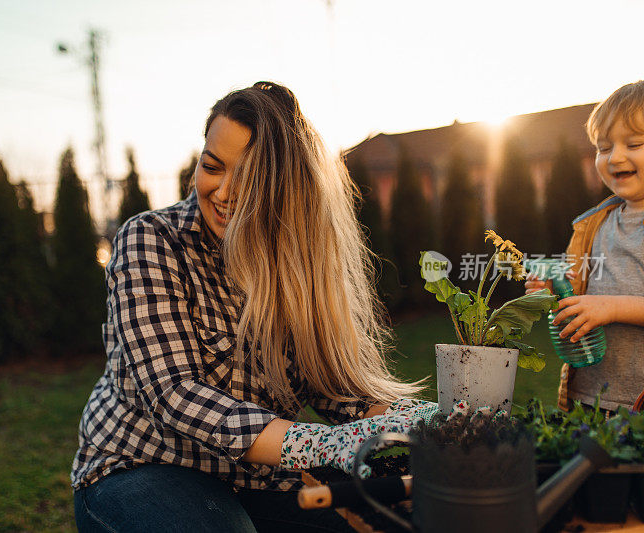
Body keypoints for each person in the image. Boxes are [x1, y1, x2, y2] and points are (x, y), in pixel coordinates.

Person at [70, 81, 434, 532]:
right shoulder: (150, 240)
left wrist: (425, 420)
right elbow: (174, 393)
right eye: (212, 166)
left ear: (284, 188)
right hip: (140, 467)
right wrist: (318, 444)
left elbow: (336, 391)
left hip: (254, 482)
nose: (222, 192)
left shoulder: (302, 266)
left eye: (248, 179)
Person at [526, 80, 644, 412]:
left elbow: (602, 305)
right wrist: (548, 290)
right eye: (604, 148)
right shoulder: (593, 224)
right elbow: (573, 288)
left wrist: (610, 308)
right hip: (589, 398)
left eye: (634, 143)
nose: (615, 156)